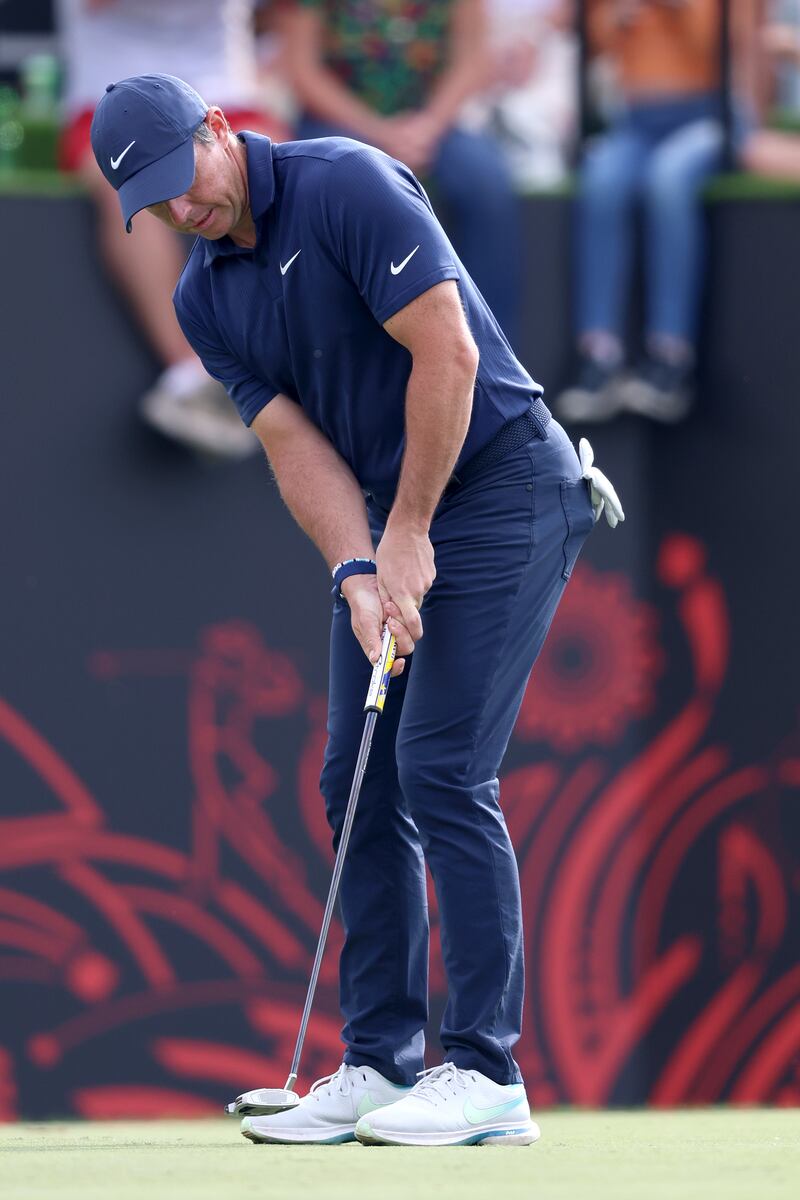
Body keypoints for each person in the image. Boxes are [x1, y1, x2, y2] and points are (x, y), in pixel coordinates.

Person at [90, 72, 623, 1147]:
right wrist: (354, 570)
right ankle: (380, 1060)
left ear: (219, 129)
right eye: (151, 201)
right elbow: (294, 444)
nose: (180, 209)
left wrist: (409, 532)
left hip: (504, 487)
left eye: (177, 177)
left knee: (440, 767)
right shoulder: (203, 296)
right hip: (391, 515)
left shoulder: (348, 184)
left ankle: (485, 1073)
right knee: (358, 774)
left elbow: (449, 352)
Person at [57, 0, 289, 458]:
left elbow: (286, 18)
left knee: (286, 179)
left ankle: (295, 357)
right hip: (109, 104)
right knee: (131, 195)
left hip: (227, 99)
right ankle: (191, 377)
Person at [281, 0, 524, 350]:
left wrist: (428, 126)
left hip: (434, 122)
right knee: (332, 184)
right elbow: (302, 70)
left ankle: (495, 359)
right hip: (339, 122)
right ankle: (330, 355)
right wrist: (378, 132)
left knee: (487, 183)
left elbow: (473, 58)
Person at [555, 0, 731, 425]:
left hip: (706, 115)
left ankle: (670, 356)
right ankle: (600, 355)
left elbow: (724, 48)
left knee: (668, 182)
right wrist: (614, 19)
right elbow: (588, 43)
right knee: (601, 180)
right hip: (634, 121)